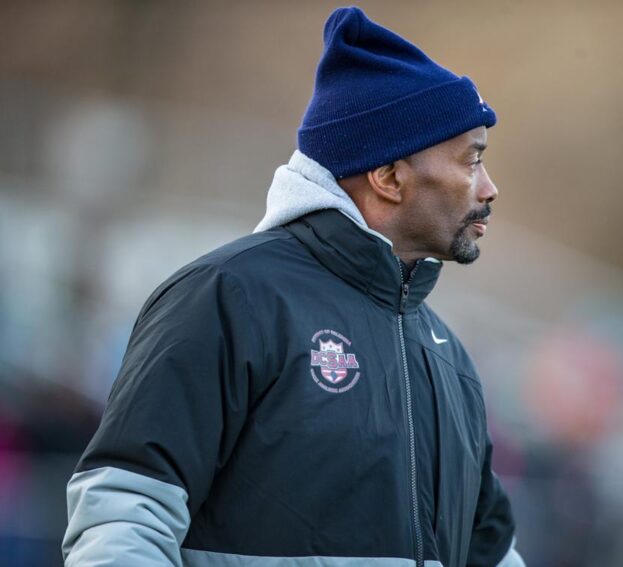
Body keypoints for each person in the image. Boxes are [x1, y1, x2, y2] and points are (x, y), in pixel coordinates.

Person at [62, 6, 524, 567]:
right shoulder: (225, 298)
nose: (489, 188)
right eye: (471, 160)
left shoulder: (446, 354)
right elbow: (123, 520)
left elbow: (492, 553)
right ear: (388, 177)